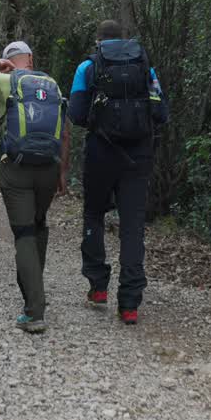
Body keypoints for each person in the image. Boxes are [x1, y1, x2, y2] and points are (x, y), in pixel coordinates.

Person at [67, 20, 168, 325]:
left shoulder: (88, 67)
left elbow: (76, 114)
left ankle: (98, 286)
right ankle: (129, 305)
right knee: (132, 226)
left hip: (101, 151)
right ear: (123, 40)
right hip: (138, 154)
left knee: (94, 214)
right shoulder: (145, 66)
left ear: (98, 41)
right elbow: (161, 112)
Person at [0, 41, 70, 334]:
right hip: (49, 168)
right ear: (31, 59)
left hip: (17, 169)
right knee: (38, 225)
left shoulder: (4, 79)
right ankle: (33, 289)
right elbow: (64, 131)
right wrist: (62, 171)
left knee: (24, 233)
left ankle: (34, 309)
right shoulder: (52, 84)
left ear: (7, 61)